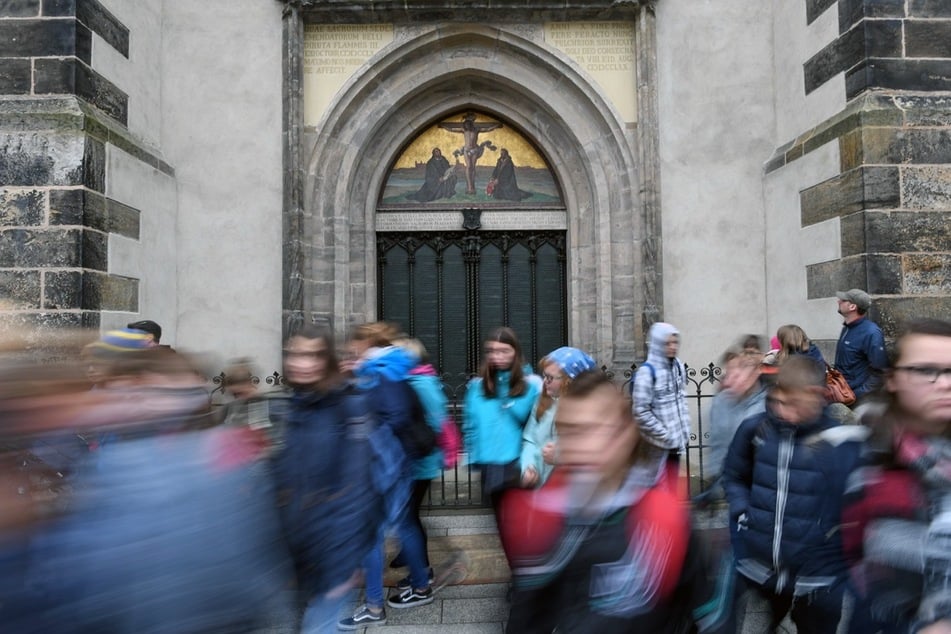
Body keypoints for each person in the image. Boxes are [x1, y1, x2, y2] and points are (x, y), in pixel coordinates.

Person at [500, 370, 732, 633]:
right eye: (569, 431)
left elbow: (707, 612)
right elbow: (527, 617)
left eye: (592, 430)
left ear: (624, 435)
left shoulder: (660, 521)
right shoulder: (547, 522)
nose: (579, 446)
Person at [722, 356, 866, 633]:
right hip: (764, 569)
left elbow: (854, 508)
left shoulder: (839, 442)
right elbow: (735, 475)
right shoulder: (756, 429)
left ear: (816, 396)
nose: (782, 412)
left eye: (792, 403)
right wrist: (743, 512)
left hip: (818, 581)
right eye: (777, 401)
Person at [271, 324, 384, 633]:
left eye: (312, 355)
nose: (301, 363)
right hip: (301, 552)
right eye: (295, 354)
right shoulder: (295, 406)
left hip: (332, 556)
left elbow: (357, 491)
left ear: (327, 360)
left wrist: (342, 565)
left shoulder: (348, 405)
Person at [841, 319, 951, 633]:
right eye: (925, 370)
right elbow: (849, 560)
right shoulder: (862, 460)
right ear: (893, 379)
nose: (943, 383)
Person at [337, 322, 434, 630]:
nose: (351, 352)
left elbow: (392, 415)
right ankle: (420, 585)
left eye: (355, 347)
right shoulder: (388, 368)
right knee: (403, 525)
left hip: (382, 467)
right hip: (393, 464)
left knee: (371, 535)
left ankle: (374, 606)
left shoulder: (378, 372)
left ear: (366, 344)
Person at [388, 337, 448, 592]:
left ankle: (421, 570)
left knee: (408, 518)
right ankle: (412, 558)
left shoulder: (416, 384)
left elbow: (428, 423)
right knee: (409, 517)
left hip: (418, 461)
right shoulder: (427, 381)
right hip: (424, 459)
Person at [464, 326, 542, 512]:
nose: (497, 357)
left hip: (518, 463)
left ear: (515, 352)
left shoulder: (531, 385)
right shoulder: (477, 387)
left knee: (521, 524)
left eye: (504, 351)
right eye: (492, 351)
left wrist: (531, 463)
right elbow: (471, 425)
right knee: (502, 525)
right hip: (489, 463)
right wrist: (473, 456)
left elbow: (537, 429)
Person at [520, 346, 596, 488]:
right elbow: (530, 439)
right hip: (542, 488)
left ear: (570, 380)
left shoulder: (590, 410)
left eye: (550, 377)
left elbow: (599, 453)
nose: (545, 381)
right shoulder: (542, 401)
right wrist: (528, 466)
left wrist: (560, 456)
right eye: (544, 375)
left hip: (574, 493)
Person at [704, 346, 767, 498]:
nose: (734, 380)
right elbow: (717, 439)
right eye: (731, 374)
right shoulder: (722, 400)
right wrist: (715, 473)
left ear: (755, 374)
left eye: (740, 375)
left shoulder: (766, 404)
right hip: (727, 481)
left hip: (756, 482)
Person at [632, 322, 691, 482]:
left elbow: (681, 398)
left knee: (670, 494)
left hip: (675, 446)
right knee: (656, 492)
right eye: (667, 343)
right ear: (658, 344)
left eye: (675, 342)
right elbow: (640, 412)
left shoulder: (678, 366)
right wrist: (665, 435)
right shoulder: (646, 373)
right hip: (656, 448)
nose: (672, 347)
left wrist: (683, 430)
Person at [834, 289, 888, 400]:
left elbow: (880, 372)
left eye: (843, 300)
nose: (838, 301)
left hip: (855, 399)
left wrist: (857, 395)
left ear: (852, 307)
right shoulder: (846, 329)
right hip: (841, 394)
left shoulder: (871, 332)